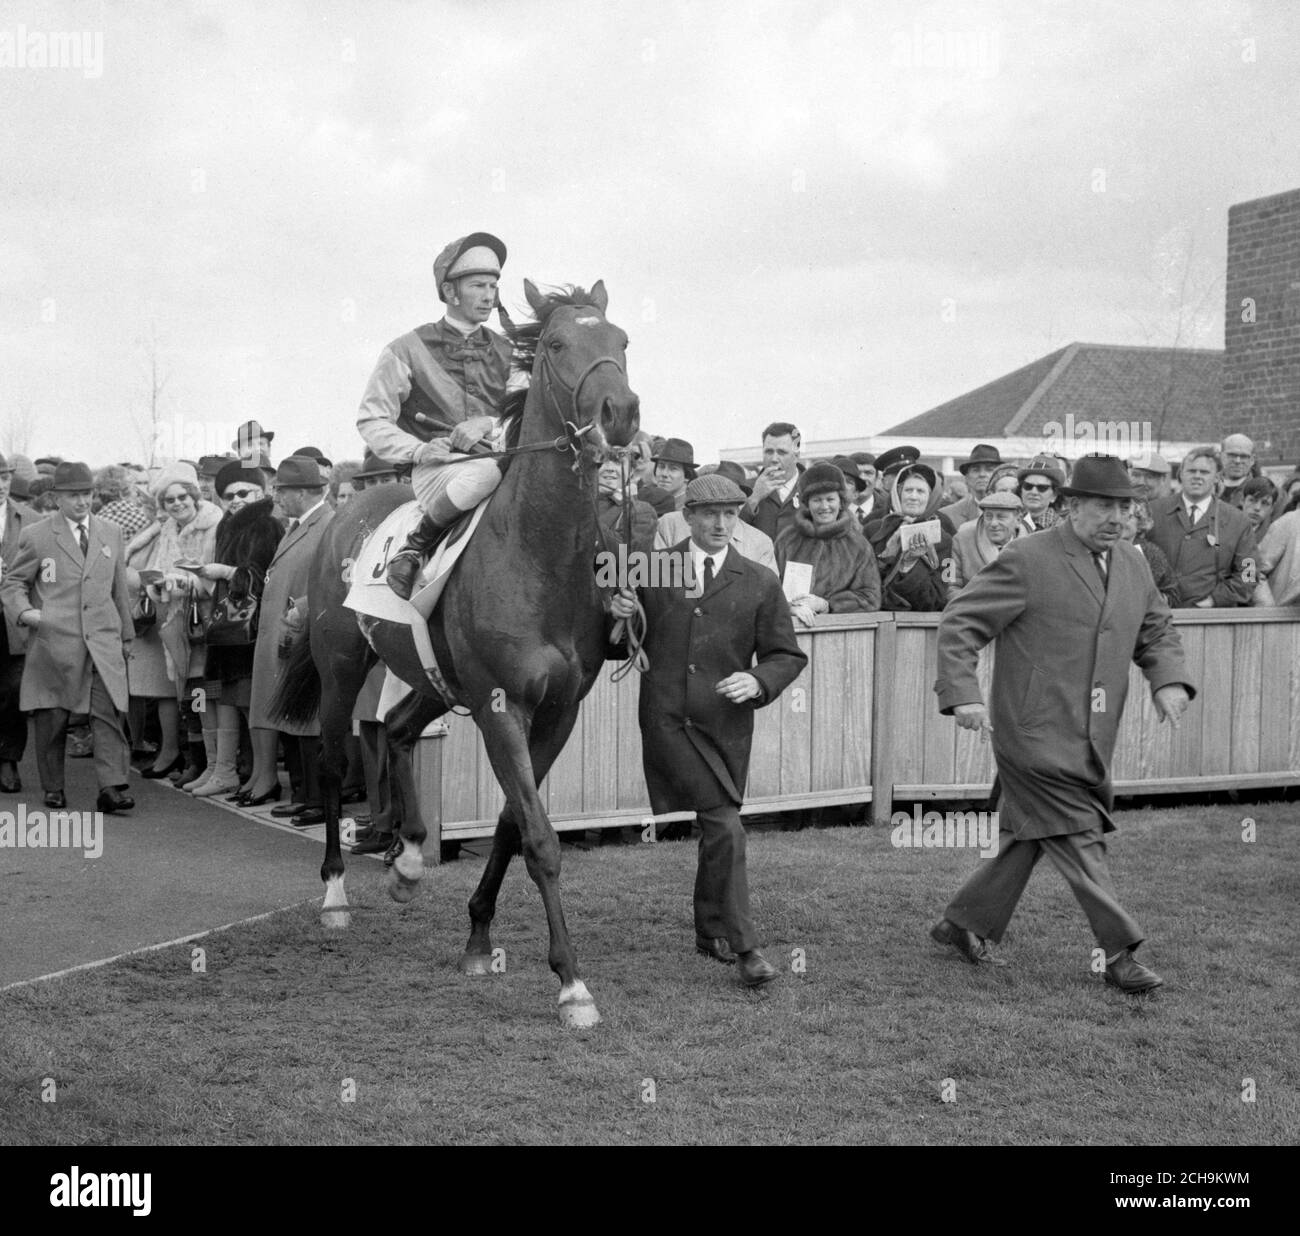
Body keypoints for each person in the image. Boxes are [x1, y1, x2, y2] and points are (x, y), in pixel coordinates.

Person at [930, 455, 1193, 992]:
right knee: (1079, 831)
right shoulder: (1027, 558)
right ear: (1070, 506)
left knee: (1030, 834)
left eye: (1125, 506)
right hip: (1029, 732)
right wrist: (962, 695)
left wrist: (1167, 680)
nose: (1116, 516)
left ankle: (961, 922)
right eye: (1103, 505)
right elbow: (961, 622)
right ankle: (1121, 951)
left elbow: (1156, 630)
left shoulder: (1134, 563)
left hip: (1093, 732)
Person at [609, 474, 807, 988]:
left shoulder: (760, 579)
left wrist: (758, 680)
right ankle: (746, 949)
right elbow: (614, 645)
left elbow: (787, 655)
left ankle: (709, 929)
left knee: (718, 825)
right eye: (710, 515)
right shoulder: (648, 567)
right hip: (669, 721)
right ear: (688, 516)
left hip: (726, 725)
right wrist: (616, 614)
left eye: (731, 514)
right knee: (725, 824)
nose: (722, 524)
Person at [357, 232, 513, 599]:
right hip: (437, 471)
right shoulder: (405, 350)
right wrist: (418, 451)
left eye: (493, 285)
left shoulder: (512, 351)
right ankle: (413, 546)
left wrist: (488, 424)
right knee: (484, 472)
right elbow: (371, 419)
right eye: (478, 285)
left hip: (504, 465)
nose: (489, 295)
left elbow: (529, 416)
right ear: (450, 291)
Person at [0, 462, 135, 813]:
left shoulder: (111, 533)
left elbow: (119, 589)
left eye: (87, 494)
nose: (82, 502)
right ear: (57, 498)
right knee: (53, 718)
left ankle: (112, 787)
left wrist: (126, 637)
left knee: (108, 713)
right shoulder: (38, 535)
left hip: (103, 640)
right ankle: (53, 786)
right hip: (55, 641)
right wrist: (26, 614)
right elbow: (14, 583)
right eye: (74, 495)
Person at [247, 457, 334, 824]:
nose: (275, 496)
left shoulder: (328, 524)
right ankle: (303, 794)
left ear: (301, 492)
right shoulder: (299, 525)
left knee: (308, 719)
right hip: (287, 636)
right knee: (291, 715)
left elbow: (334, 580)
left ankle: (315, 800)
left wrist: (302, 608)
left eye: (281, 489)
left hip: (305, 636)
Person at [124, 463, 223, 782]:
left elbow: (213, 578)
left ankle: (213, 765)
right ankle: (198, 763)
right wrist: (157, 585)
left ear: (194, 496)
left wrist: (179, 584)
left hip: (205, 624)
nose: (178, 503)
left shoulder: (214, 525)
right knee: (188, 696)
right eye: (170, 500)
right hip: (176, 622)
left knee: (205, 695)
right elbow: (158, 569)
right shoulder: (167, 529)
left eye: (183, 497)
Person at [192, 462, 284, 798]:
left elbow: (266, 579)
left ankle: (260, 775)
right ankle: (230, 771)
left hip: (252, 626)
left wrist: (228, 572)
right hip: (228, 624)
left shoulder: (267, 526)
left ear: (261, 492)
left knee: (250, 700)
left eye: (243, 492)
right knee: (230, 697)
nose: (235, 500)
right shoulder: (227, 527)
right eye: (228, 495)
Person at [1145, 447, 1257, 608]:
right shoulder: (1153, 512)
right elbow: (1131, 560)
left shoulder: (1238, 522)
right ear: (1181, 474)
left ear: (1217, 477)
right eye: (1191, 471)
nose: (1197, 476)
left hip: (1210, 620)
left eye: (1204, 472)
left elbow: (1249, 575)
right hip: (1156, 615)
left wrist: (1215, 600)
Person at [774, 461, 881, 625]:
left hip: (836, 638)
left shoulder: (858, 545)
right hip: (789, 631)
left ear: (841, 502)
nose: (824, 506)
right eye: (817, 500)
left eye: (830, 499)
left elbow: (870, 598)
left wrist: (826, 604)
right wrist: (789, 607)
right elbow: (769, 589)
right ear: (807, 504)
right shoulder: (787, 540)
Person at [654, 461, 777, 575]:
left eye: (729, 509)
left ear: (741, 503)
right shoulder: (670, 524)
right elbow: (657, 579)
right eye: (710, 512)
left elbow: (768, 593)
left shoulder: (760, 543)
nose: (720, 524)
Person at [865, 462, 954, 612]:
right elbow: (864, 583)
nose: (913, 496)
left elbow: (940, 596)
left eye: (920, 491)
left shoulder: (944, 539)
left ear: (931, 497)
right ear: (899, 493)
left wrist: (910, 566)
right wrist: (887, 556)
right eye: (908, 490)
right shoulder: (874, 530)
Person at [0, 454, 32, 792]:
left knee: (12, 690)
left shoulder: (31, 520)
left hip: (13, 619)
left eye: (4, 478)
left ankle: (8, 760)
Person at [945, 490, 1023, 602]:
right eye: (988, 516)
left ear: (1018, 520)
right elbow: (949, 587)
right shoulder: (961, 541)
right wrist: (980, 605)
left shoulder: (1032, 546)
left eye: (1001, 517)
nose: (993, 523)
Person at [741, 422, 803, 540]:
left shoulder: (812, 488)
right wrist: (754, 498)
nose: (774, 459)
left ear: (796, 456)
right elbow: (731, 532)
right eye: (769, 452)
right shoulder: (745, 488)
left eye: (782, 452)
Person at [1121, 500, 1179, 608]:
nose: (1122, 522)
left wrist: (1153, 600)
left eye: (1129, 517)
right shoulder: (1101, 548)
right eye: (1120, 515)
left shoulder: (1152, 553)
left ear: (1140, 522)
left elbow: (1172, 595)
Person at [939, 443, 1002, 527]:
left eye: (989, 469)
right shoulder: (947, 515)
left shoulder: (1016, 510)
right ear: (967, 478)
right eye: (976, 470)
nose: (982, 474)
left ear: (1000, 475)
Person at [1017, 456, 1066, 532]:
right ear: (1021, 490)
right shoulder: (1012, 521)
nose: (1033, 492)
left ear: (1054, 496)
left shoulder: (1063, 528)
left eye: (1042, 488)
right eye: (1028, 486)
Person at [649, 438, 697, 510]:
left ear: (687, 476)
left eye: (673, 469)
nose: (664, 474)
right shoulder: (648, 501)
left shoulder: (692, 508)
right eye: (661, 466)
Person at [1217, 433, 1257, 507]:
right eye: (1232, 455)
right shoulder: (1207, 486)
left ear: (1252, 460)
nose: (1237, 461)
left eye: (1244, 456)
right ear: (1221, 456)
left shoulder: (1261, 492)